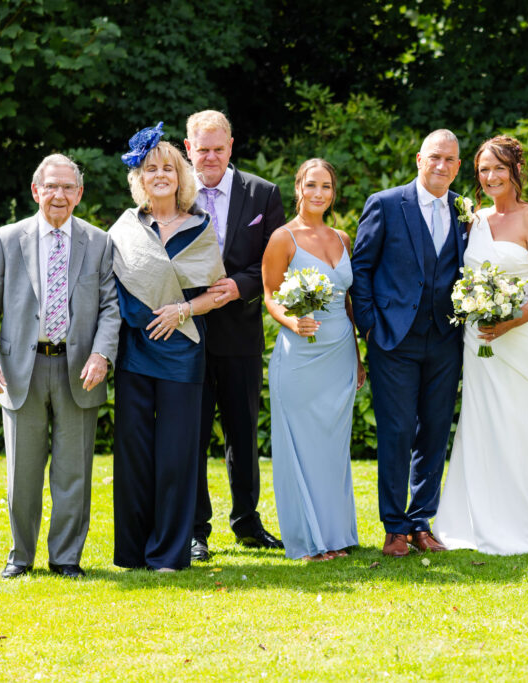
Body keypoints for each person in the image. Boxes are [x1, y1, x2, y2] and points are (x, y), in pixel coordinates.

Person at [0, 154, 120, 579]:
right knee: (23, 472)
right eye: (50, 186)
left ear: (79, 194)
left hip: (78, 371)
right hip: (22, 370)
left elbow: (111, 308)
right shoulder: (7, 238)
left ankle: (66, 558)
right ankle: (21, 557)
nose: (58, 194)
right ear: (36, 191)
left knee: (74, 471)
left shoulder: (99, 241)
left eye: (67, 187)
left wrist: (101, 354)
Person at [434, 136, 528, 555]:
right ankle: (473, 517)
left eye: (498, 169)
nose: (490, 177)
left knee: (513, 420)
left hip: (517, 335)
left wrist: (512, 320)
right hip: (478, 338)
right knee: (478, 420)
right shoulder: (474, 220)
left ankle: (520, 517)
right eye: (484, 170)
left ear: (515, 172)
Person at [109, 126, 227, 572]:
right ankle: (134, 551)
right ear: (139, 178)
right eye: (150, 168)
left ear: (181, 177)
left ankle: (169, 553)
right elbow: (110, 288)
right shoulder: (124, 226)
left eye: (168, 169)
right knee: (135, 452)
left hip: (182, 351)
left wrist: (182, 311)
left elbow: (217, 292)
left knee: (177, 455)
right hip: (135, 351)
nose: (160, 175)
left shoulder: (200, 227)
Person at [351, 130, 467, 557]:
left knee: (435, 432)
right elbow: (360, 267)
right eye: (435, 157)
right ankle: (393, 527)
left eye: (450, 160)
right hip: (393, 339)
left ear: (458, 166)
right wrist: (369, 325)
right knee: (397, 432)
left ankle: (421, 522)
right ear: (420, 158)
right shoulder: (385, 204)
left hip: (444, 339)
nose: (442, 166)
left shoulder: (461, 209)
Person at [184, 110, 285, 562]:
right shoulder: (173, 191)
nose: (209, 156)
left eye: (217, 148)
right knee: (191, 434)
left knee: (242, 433)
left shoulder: (262, 193)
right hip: (185, 333)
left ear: (230, 146)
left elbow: (274, 260)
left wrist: (242, 286)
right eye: (201, 149)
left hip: (241, 333)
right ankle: (194, 531)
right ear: (189, 148)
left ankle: (247, 521)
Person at [262, 159, 364, 561]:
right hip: (300, 354)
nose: (319, 193)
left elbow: (350, 301)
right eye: (312, 185)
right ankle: (307, 541)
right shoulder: (282, 238)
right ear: (298, 188)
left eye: (326, 186)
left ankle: (335, 537)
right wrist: (291, 320)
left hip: (339, 352)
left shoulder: (342, 237)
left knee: (332, 449)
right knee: (299, 446)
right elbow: (270, 294)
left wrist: (357, 357)